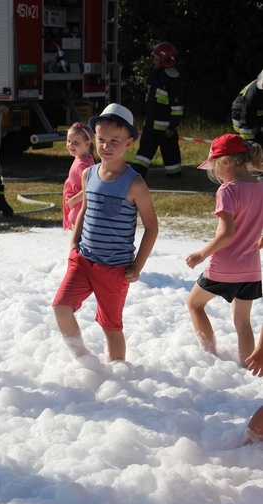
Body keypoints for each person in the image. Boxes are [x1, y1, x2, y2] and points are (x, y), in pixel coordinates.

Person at [53, 103, 158, 361]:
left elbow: (152, 227)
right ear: (94, 140)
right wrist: (73, 244)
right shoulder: (89, 174)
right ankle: (84, 362)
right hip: (83, 260)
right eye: (101, 140)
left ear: (129, 142)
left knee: (111, 327)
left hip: (114, 269)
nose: (106, 146)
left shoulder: (135, 183)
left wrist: (138, 266)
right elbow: (85, 210)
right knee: (61, 307)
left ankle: (118, 375)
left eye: (114, 141)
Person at [185, 134, 263, 365]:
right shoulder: (260, 188)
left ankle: (208, 357)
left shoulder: (227, 190)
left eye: (215, 167)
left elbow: (226, 233)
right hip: (251, 269)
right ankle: (248, 366)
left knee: (194, 304)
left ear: (226, 162)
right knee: (243, 322)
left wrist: (201, 254)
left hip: (224, 266)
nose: (216, 174)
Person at [133, 42, 184, 179]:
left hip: (166, 130)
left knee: (170, 154)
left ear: (164, 61)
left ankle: (174, 177)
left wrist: (172, 127)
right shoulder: (154, 75)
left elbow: (178, 108)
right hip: (150, 126)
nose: (154, 62)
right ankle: (137, 175)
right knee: (143, 154)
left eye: (156, 59)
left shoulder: (173, 80)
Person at [63, 122, 96, 230]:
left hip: (79, 204)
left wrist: (73, 200)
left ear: (87, 144)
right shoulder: (80, 158)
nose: (70, 145)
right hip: (77, 203)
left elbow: (90, 188)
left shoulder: (83, 165)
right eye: (69, 141)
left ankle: (75, 246)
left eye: (75, 142)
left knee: (77, 230)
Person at [232, 70, 263, 145]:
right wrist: (249, 144)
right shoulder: (252, 96)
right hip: (242, 116)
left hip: (258, 117)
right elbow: (246, 122)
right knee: (254, 146)